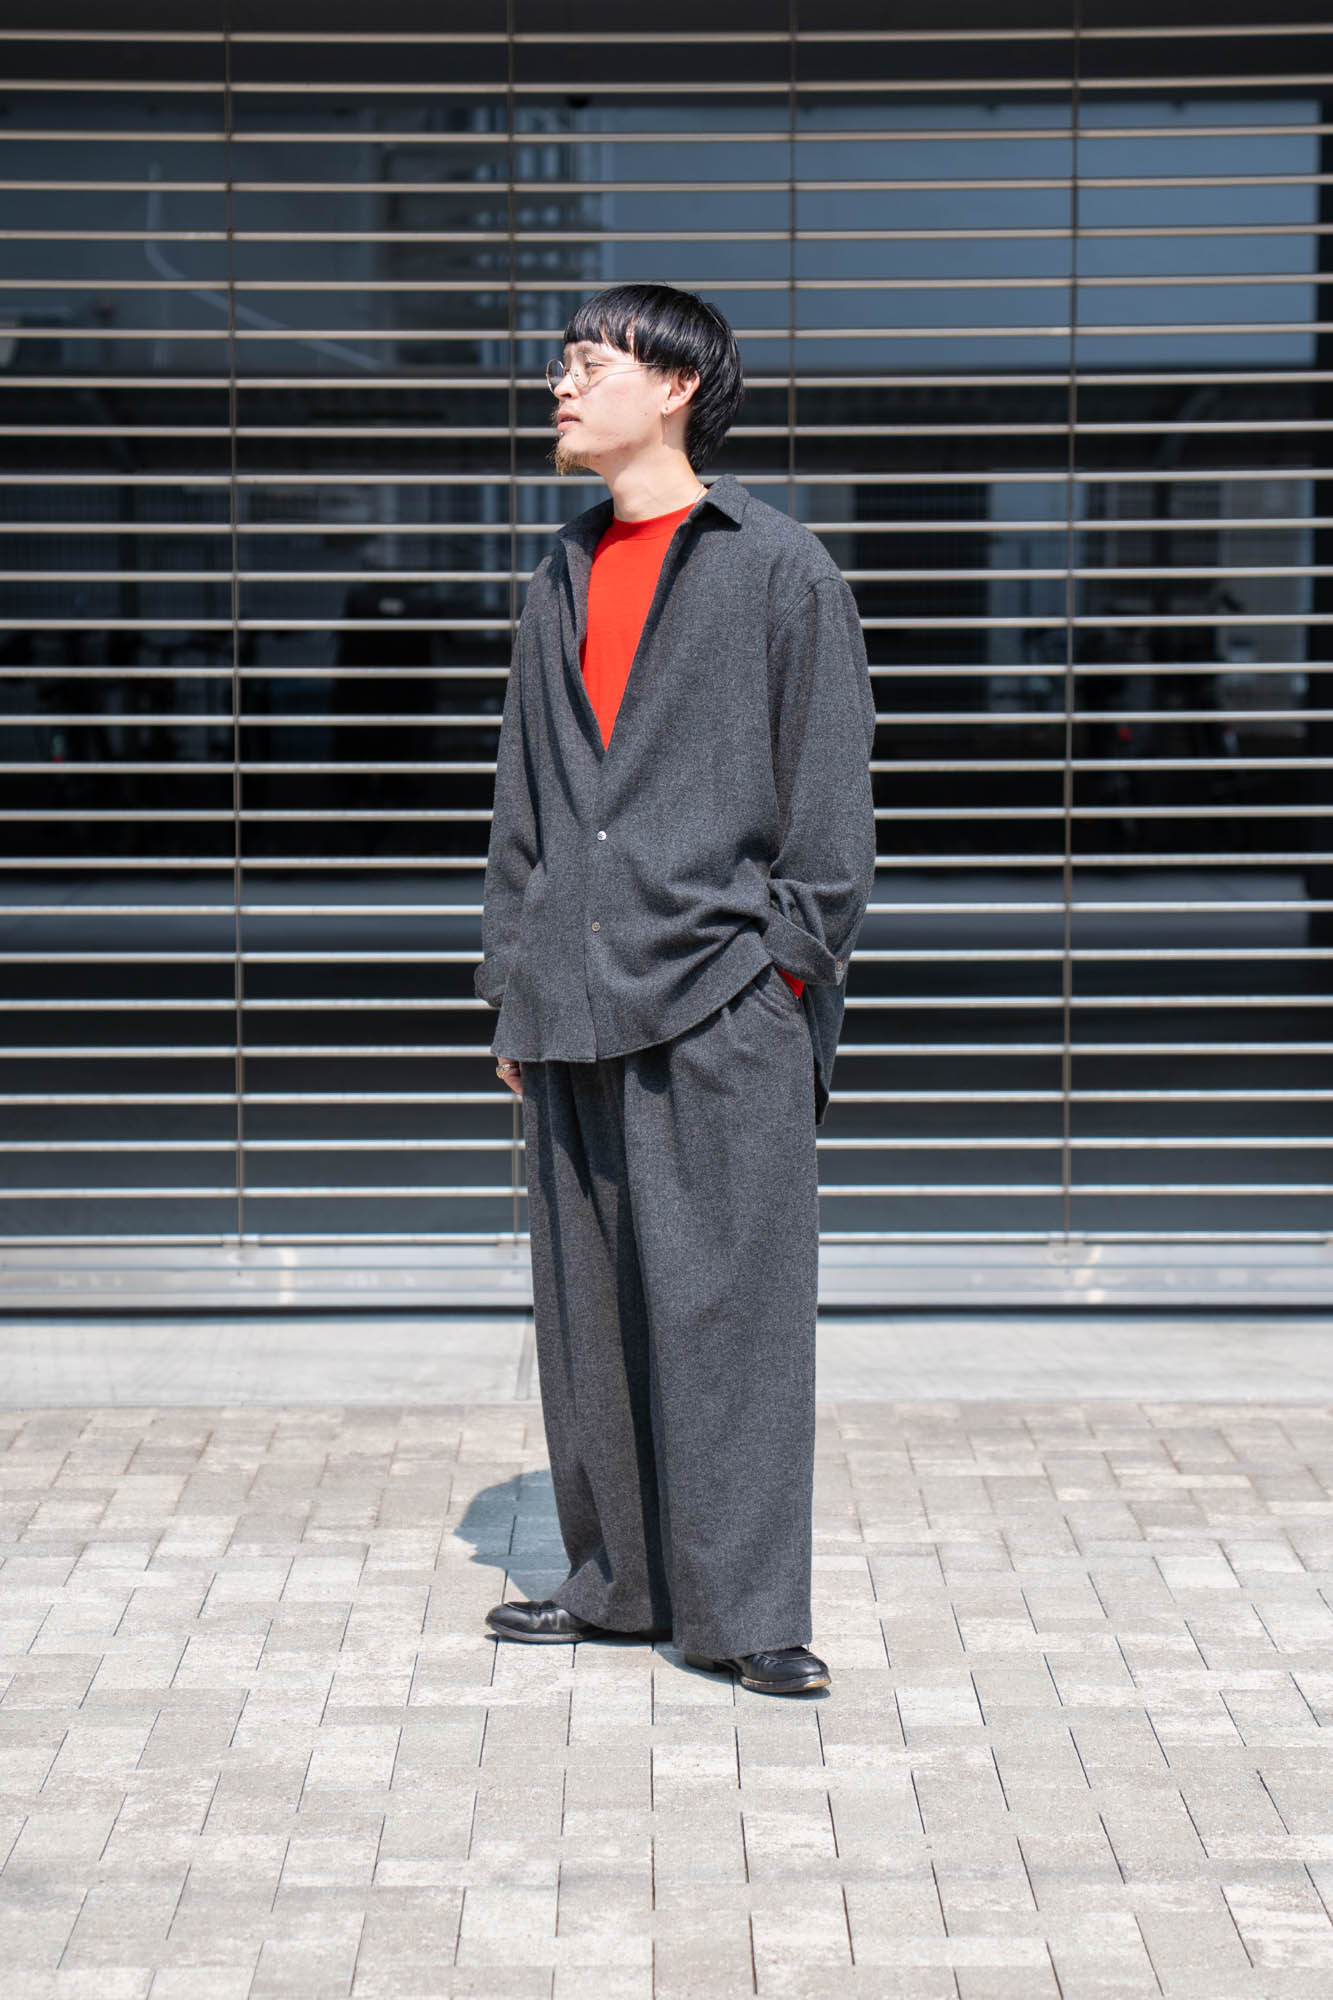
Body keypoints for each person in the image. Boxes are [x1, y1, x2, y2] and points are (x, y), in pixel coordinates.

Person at [474, 283, 876, 1696]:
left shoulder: (778, 570)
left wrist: (781, 979)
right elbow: (525, 802)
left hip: (720, 997)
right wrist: (510, 982)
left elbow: (829, 812)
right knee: (588, 1319)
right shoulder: (560, 573)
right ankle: (617, 1587)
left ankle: (747, 1613)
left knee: (733, 1318)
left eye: (588, 363)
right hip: (570, 995)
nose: (561, 385)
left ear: (676, 385)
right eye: (562, 363)